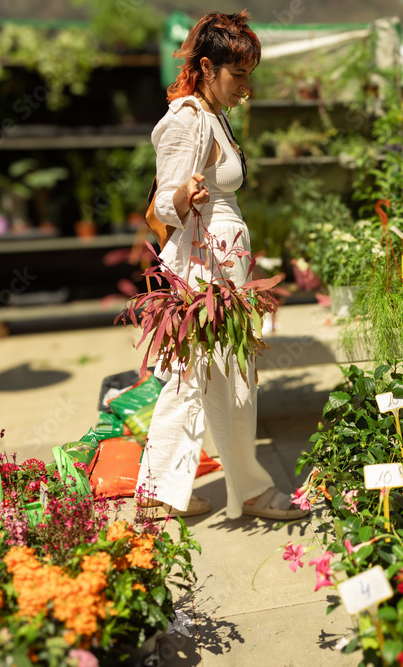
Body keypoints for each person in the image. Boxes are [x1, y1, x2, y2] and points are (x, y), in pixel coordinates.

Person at [137, 10, 307, 521]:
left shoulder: (214, 114)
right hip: (203, 272)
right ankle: (208, 492)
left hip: (221, 267)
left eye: (250, 74)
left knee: (219, 375)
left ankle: (170, 492)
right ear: (207, 68)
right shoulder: (187, 118)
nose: (246, 86)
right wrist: (184, 196)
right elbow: (165, 203)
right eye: (239, 75)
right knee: (203, 376)